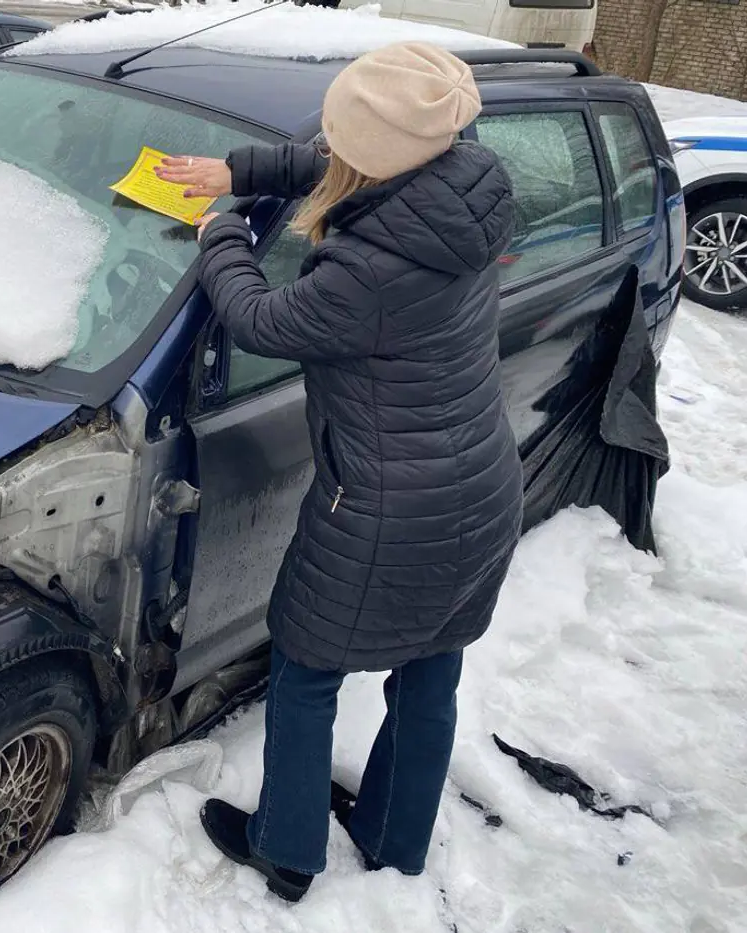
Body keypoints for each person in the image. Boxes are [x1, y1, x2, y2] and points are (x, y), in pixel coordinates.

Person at [154, 41, 524, 903]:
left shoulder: (367, 271)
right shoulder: (466, 181)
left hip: (388, 508)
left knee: (306, 666)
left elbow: (258, 318)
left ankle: (285, 850)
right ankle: (395, 839)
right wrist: (235, 168)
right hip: (479, 484)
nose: (331, 149)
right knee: (432, 671)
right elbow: (345, 160)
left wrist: (221, 236)